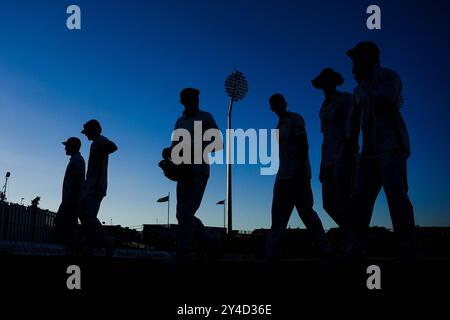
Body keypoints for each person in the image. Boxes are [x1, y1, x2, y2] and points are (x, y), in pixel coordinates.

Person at [346, 41, 415, 259]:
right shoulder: (358, 89)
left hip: (391, 146)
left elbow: (383, 102)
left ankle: (407, 244)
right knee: (359, 199)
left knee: (396, 194)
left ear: (368, 59)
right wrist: (350, 144)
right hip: (368, 152)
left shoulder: (388, 77)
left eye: (357, 59)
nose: (353, 65)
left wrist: (365, 84)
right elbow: (353, 120)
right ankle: (356, 246)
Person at [266, 93, 332, 260]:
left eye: (279, 102)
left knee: (306, 213)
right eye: (273, 103)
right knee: (278, 214)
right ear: (271, 107)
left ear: (284, 103)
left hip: (298, 174)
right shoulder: (277, 126)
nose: (276, 105)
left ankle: (325, 248)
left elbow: (304, 145)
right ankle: (273, 252)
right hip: (283, 175)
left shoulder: (295, 119)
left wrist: (301, 171)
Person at [162, 88, 222, 261]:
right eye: (189, 99)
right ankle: (211, 242)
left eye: (195, 98)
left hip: (198, 170)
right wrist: (169, 151)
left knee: (185, 213)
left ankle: (183, 252)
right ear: (183, 101)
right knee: (182, 214)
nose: (194, 101)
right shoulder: (179, 121)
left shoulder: (206, 117)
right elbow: (175, 147)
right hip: (182, 170)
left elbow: (218, 143)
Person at [312, 68, 358, 229]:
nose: (326, 85)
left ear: (334, 82)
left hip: (345, 155)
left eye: (328, 81)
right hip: (329, 160)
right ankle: (357, 235)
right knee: (328, 204)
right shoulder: (322, 108)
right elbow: (325, 137)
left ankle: (355, 241)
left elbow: (354, 124)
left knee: (346, 199)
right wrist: (322, 165)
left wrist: (350, 149)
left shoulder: (346, 98)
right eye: (323, 82)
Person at [79, 119, 118, 256]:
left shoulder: (101, 140)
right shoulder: (95, 143)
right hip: (92, 185)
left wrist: (103, 152)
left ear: (93, 130)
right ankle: (89, 246)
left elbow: (113, 146)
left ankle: (107, 240)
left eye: (87, 132)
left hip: (96, 186)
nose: (86, 135)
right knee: (86, 216)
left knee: (86, 214)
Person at [54, 137, 85, 254]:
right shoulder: (75, 160)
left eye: (67, 145)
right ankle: (71, 247)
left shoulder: (77, 161)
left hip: (71, 199)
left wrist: (72, 199)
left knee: (67, 223)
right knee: (68, 223)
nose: (65, 148)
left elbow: (77, 181)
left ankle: (71, 248)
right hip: (71, 198)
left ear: (72, 146)